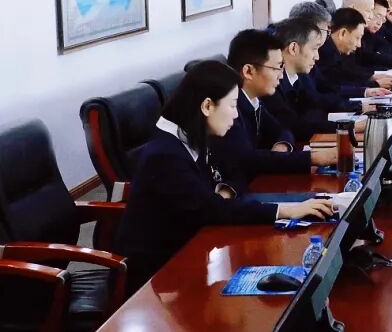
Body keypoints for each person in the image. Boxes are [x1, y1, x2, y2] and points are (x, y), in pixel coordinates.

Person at [116, 61, 335, 293]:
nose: (236, 114)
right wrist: (288, 210)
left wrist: (224, 190)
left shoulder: (192, 133)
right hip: (159, 276)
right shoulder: (165, 154)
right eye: (232, 105)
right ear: (207, 106)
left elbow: (235, 171)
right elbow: (214, 210)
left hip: (196, 246)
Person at [211, 29, 336, 185]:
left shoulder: (254, 100)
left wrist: (282, 146)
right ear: (248, 71)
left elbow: (282, 129)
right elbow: (247, 159)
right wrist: (313, 158)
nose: (281, 75)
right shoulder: (229, 109)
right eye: (277, 68)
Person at [268, 17, 367, 145]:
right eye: (314, 49)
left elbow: (317, 103)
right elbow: (296, 126)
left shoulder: (300, 76)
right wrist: (350, 126)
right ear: (294, 49)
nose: (317, 57)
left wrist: (358, 106)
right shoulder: (271, 84)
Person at [287, 2, 363, 113]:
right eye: (326, 31)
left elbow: (329, 87)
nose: (328, 35)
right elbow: (313, 101)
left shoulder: (311, 54)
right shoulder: (313, 55)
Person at [313, 7, 391, 97]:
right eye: (357, 38)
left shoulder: (336, 50)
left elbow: (349, 75)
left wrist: (371, 79)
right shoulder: (324, 54)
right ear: (343, 33)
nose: (359, 45)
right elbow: (333, 88)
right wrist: (372, 86)